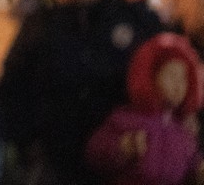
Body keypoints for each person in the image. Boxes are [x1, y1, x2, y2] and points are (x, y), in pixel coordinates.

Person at [0, 0, 163, 185]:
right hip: (52, 155)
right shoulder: (44, 23)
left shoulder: (133, 21)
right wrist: (25, 140)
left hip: (116, 155)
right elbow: (13, 80)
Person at [85, 31, 204, 185]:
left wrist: (199, 170)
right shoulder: (128, 117)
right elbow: (94, 151)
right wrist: (123, 147)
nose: (179, 83)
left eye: (184, 78)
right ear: (152, 77)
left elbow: (192, 161)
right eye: (171, 75)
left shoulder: (183, 131)